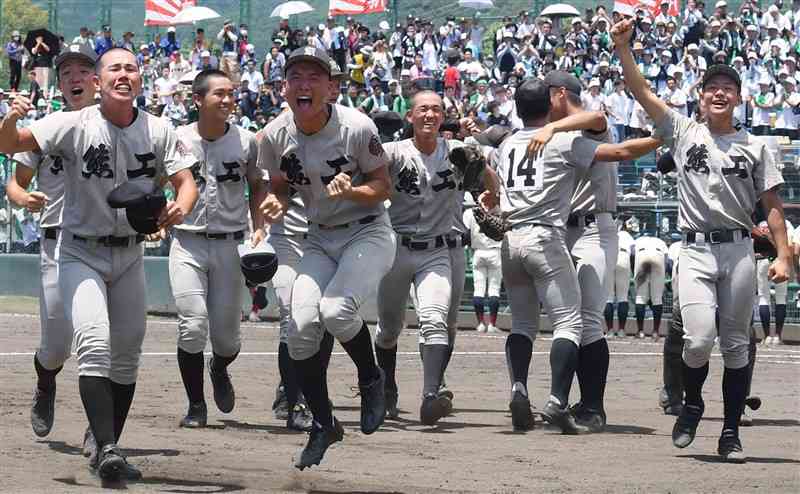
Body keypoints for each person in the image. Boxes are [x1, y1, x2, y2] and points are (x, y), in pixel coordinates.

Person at [0, 47, 199, 481]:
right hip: (76, 250)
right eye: (114, 68)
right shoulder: (72, 123)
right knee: (90, 342)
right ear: (99, 80)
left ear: (141, 78)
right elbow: (9, 144)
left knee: (127, 353)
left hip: (129, 253)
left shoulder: (160, 129)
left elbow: (186, 183)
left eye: (131, 67)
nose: (123, 74)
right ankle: (108, 448)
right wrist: (12, 117)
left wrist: (181, 207)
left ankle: (104, 437)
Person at [612, 17, 791, 463]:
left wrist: (784, 255)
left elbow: (772, 205)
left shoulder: (755, 146)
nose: (719, 92)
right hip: (693, 249)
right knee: (696, 340)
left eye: (728, 87)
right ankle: (692, 405)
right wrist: (623, 48)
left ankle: (730, 432)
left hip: (737, 250)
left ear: (738, 97)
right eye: (712, 86)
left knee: (735, 346)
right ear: (700, 95)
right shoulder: (680, 131)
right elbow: (640, 91)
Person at [481, 79, 664, 433]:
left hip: (587, 227)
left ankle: (586, 404)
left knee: (577, 319)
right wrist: (662, 138)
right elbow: (623, 153)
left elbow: (597, 118)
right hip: (553, 231)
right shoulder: (560, 140)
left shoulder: (544, 136)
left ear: (560, 96)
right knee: (571, 321)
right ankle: (558, 400)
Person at [258, 47, 393, 470]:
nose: (304, 83)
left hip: (367, 230)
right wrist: (275, 203)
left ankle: (372, 379)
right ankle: (323, 422)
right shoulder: (274, 135)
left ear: (332, 88)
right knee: (298, 329)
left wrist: (351, 190)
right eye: (295, 76)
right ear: (284, 87)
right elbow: (277, 184)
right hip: (317, 237)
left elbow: (382, 186)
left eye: (315, 77)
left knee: (336, 310)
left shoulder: (356, 127)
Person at [375, 91, 495, 425]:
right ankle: (386, 389)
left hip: (439, 250)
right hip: (397, 249)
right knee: (388, 329)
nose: (430, 115)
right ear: (410, 116)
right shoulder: (392, 153)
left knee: (435, 319)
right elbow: (364, 179)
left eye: (437, 110)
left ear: (444, 117)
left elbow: (489, 175)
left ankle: (431, 394)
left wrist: (491, 197)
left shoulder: (459, 152)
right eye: (423, 109)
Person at [4, 42, 97, 443]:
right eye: (66, 73)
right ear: (59, 83)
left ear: (98, 79)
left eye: (82, 70)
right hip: (57, 243)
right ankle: (46, 379)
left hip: (106, 244)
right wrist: (24, 198)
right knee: (57, 347)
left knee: (102, 342)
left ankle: (103, 431)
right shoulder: (46, 127)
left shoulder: (124, 126)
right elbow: (14, 182)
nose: (74, 77)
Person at [170, 69, 265, 429]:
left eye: (232, 93)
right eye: (219, 93)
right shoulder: (175, 138)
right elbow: (155, 181)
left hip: (230, 244)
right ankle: (196, 404)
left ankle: (219, 367)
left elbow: (257, 185)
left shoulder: (246, 141)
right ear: (197, 99)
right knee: (192, 326)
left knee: (226, 340)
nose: (228, 100)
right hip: (187, 242)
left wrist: (259, 227)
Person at [464, 207, 502, 333]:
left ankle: (480, 324)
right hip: (495, 251)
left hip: (479, 252)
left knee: (478, 289)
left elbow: (465, 234)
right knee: (494, 290)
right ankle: (491, 324)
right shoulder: (499, 209)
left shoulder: (470, 212)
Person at [632, 234, 668, 340]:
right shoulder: (661, 241)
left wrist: (635, 270)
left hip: (641, 255)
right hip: (658, 256)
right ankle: (655, 332)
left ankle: (640, 331)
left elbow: (632, 254)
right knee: (657, 298)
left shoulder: (638, 240)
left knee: (640, 297)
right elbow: (667, 259)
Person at [606, 223, 635, 337]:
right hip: (623, 257)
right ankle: (622, 330)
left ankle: (609, 331)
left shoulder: (610, 233)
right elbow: (633, 252)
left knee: (608, 297)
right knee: (622, 297)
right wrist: (632, 268)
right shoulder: (627, 235)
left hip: (610, 257)